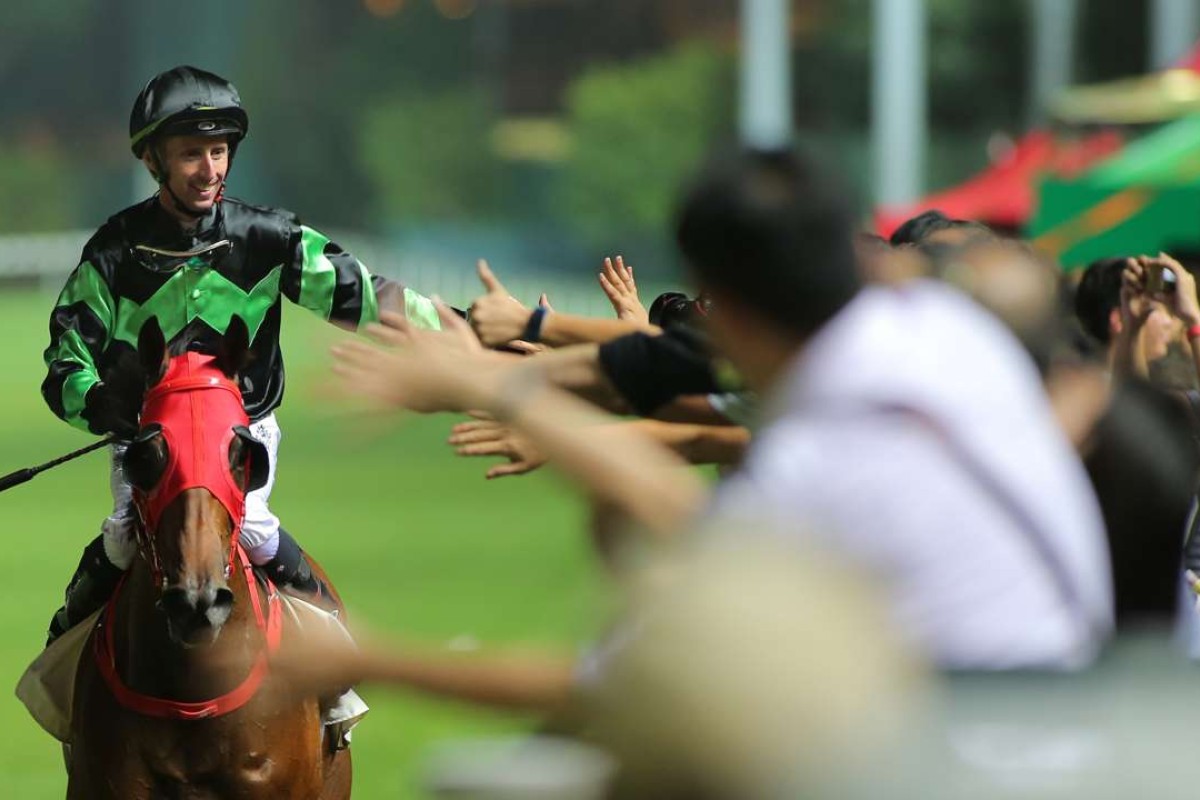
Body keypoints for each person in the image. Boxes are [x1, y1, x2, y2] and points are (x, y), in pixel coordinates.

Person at [334, 148, 1113, 670]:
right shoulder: (939, 330)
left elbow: (655, 513)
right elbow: (658, 366)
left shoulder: (817, 463)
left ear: (728, 307)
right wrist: (517, 362)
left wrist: (368, 660)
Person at [41, 65, 442, 644]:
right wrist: (101, 403)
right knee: (125, 537)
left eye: (219, 151)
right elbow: (64, 363)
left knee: (250, 524)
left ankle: (337, 666)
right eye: (191, 155)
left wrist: (467, 328)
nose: (210, 170)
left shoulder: (269, 236)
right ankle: (65, 662)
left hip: (240, 430)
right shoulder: (113, 252)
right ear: (153, 161)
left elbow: (369, 298)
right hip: (149, 438)